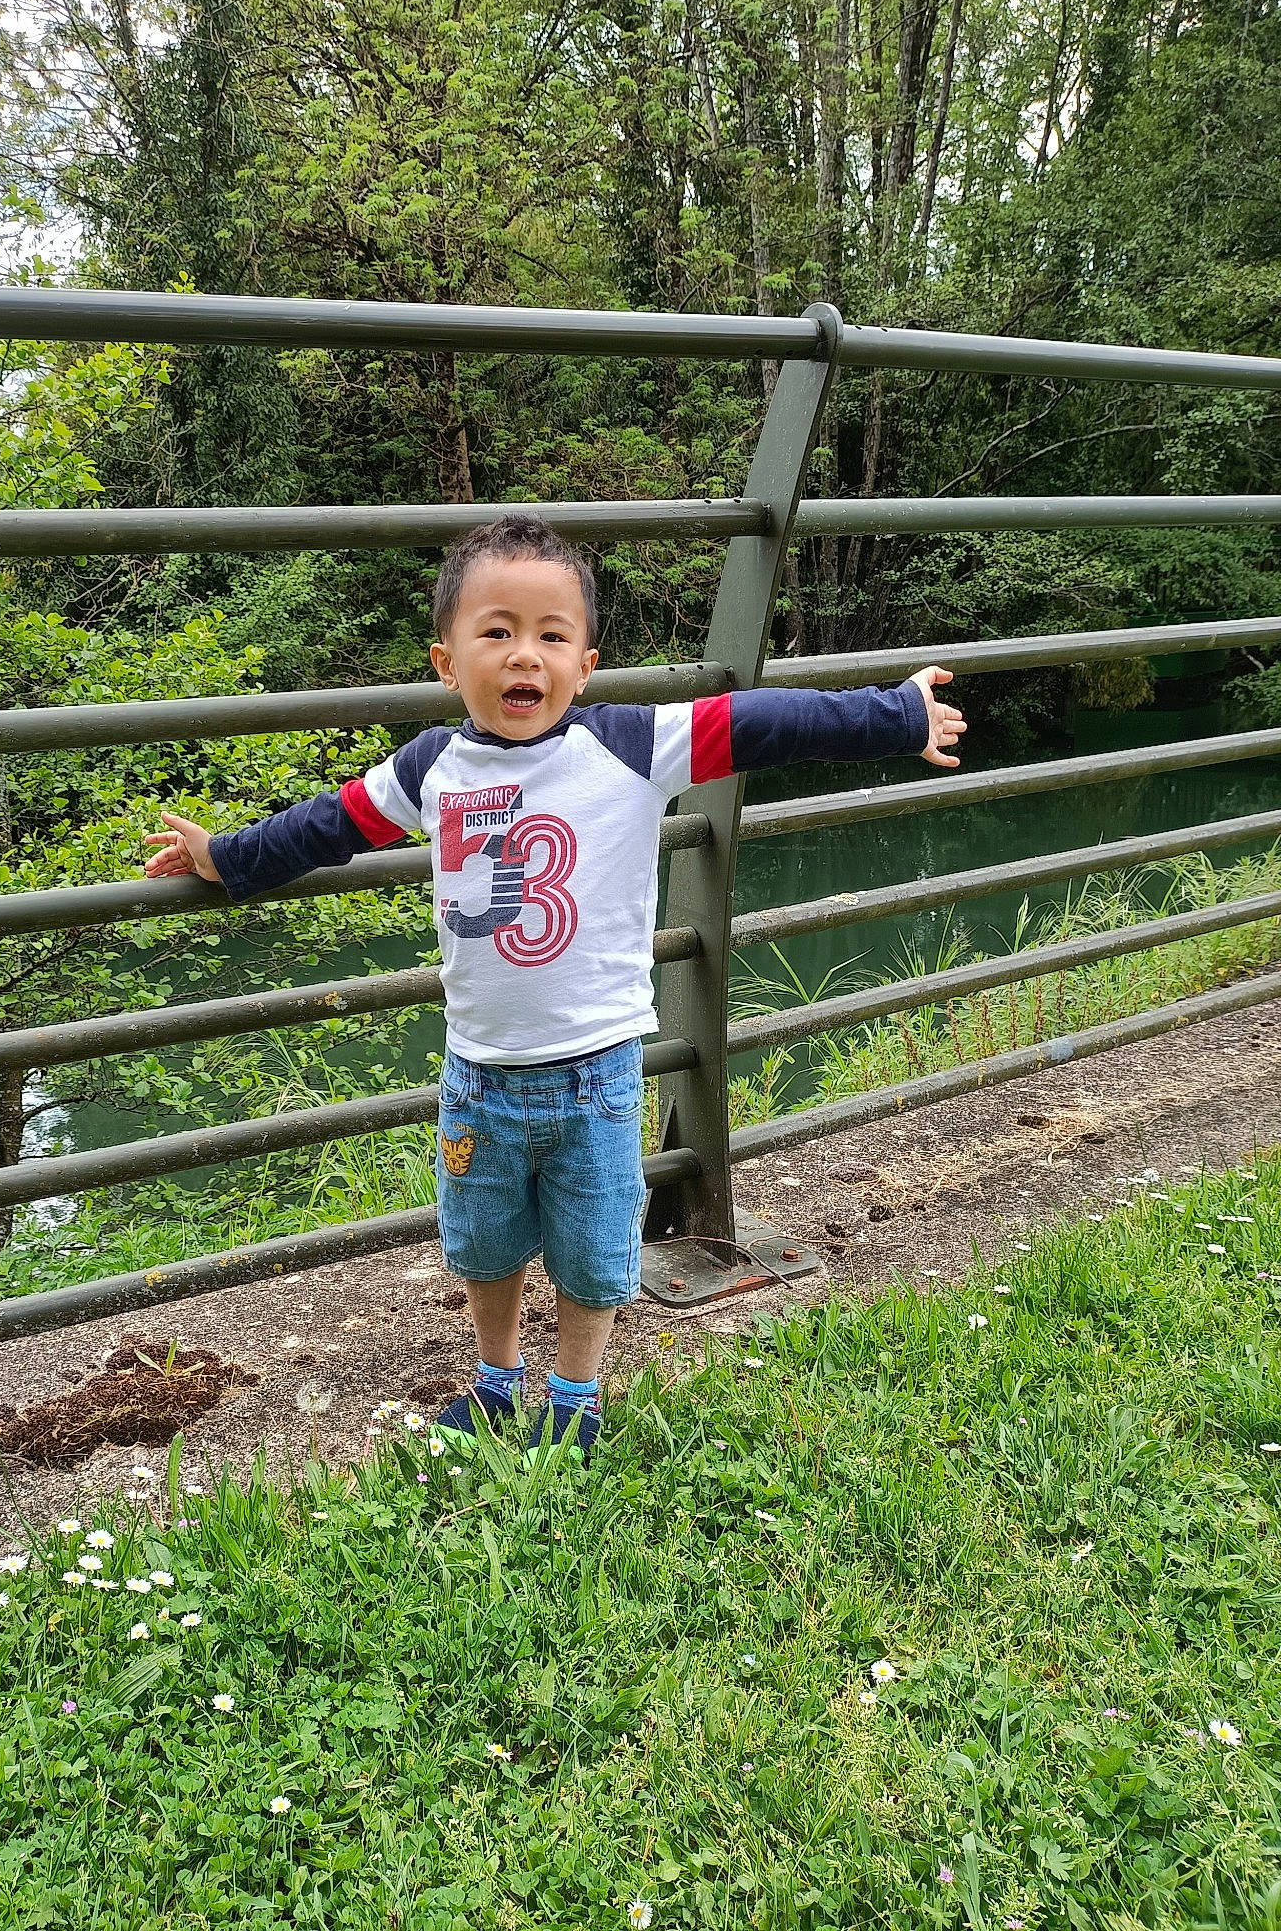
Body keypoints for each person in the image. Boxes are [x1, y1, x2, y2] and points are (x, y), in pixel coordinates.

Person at [144, 513, 965, 1458]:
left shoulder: (628, 746)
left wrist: (894, 714)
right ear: (447, 661)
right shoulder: (429, 769)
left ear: (585, 664)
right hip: (478, 1078)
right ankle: (496, 1383)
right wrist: (231, 858)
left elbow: (759, 724)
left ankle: (575, 1395)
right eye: (495, 632)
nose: (522, 655)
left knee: (592, 1250)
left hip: (597, 1076)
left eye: (550, 636)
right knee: (482, 1246)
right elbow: (331, 825)